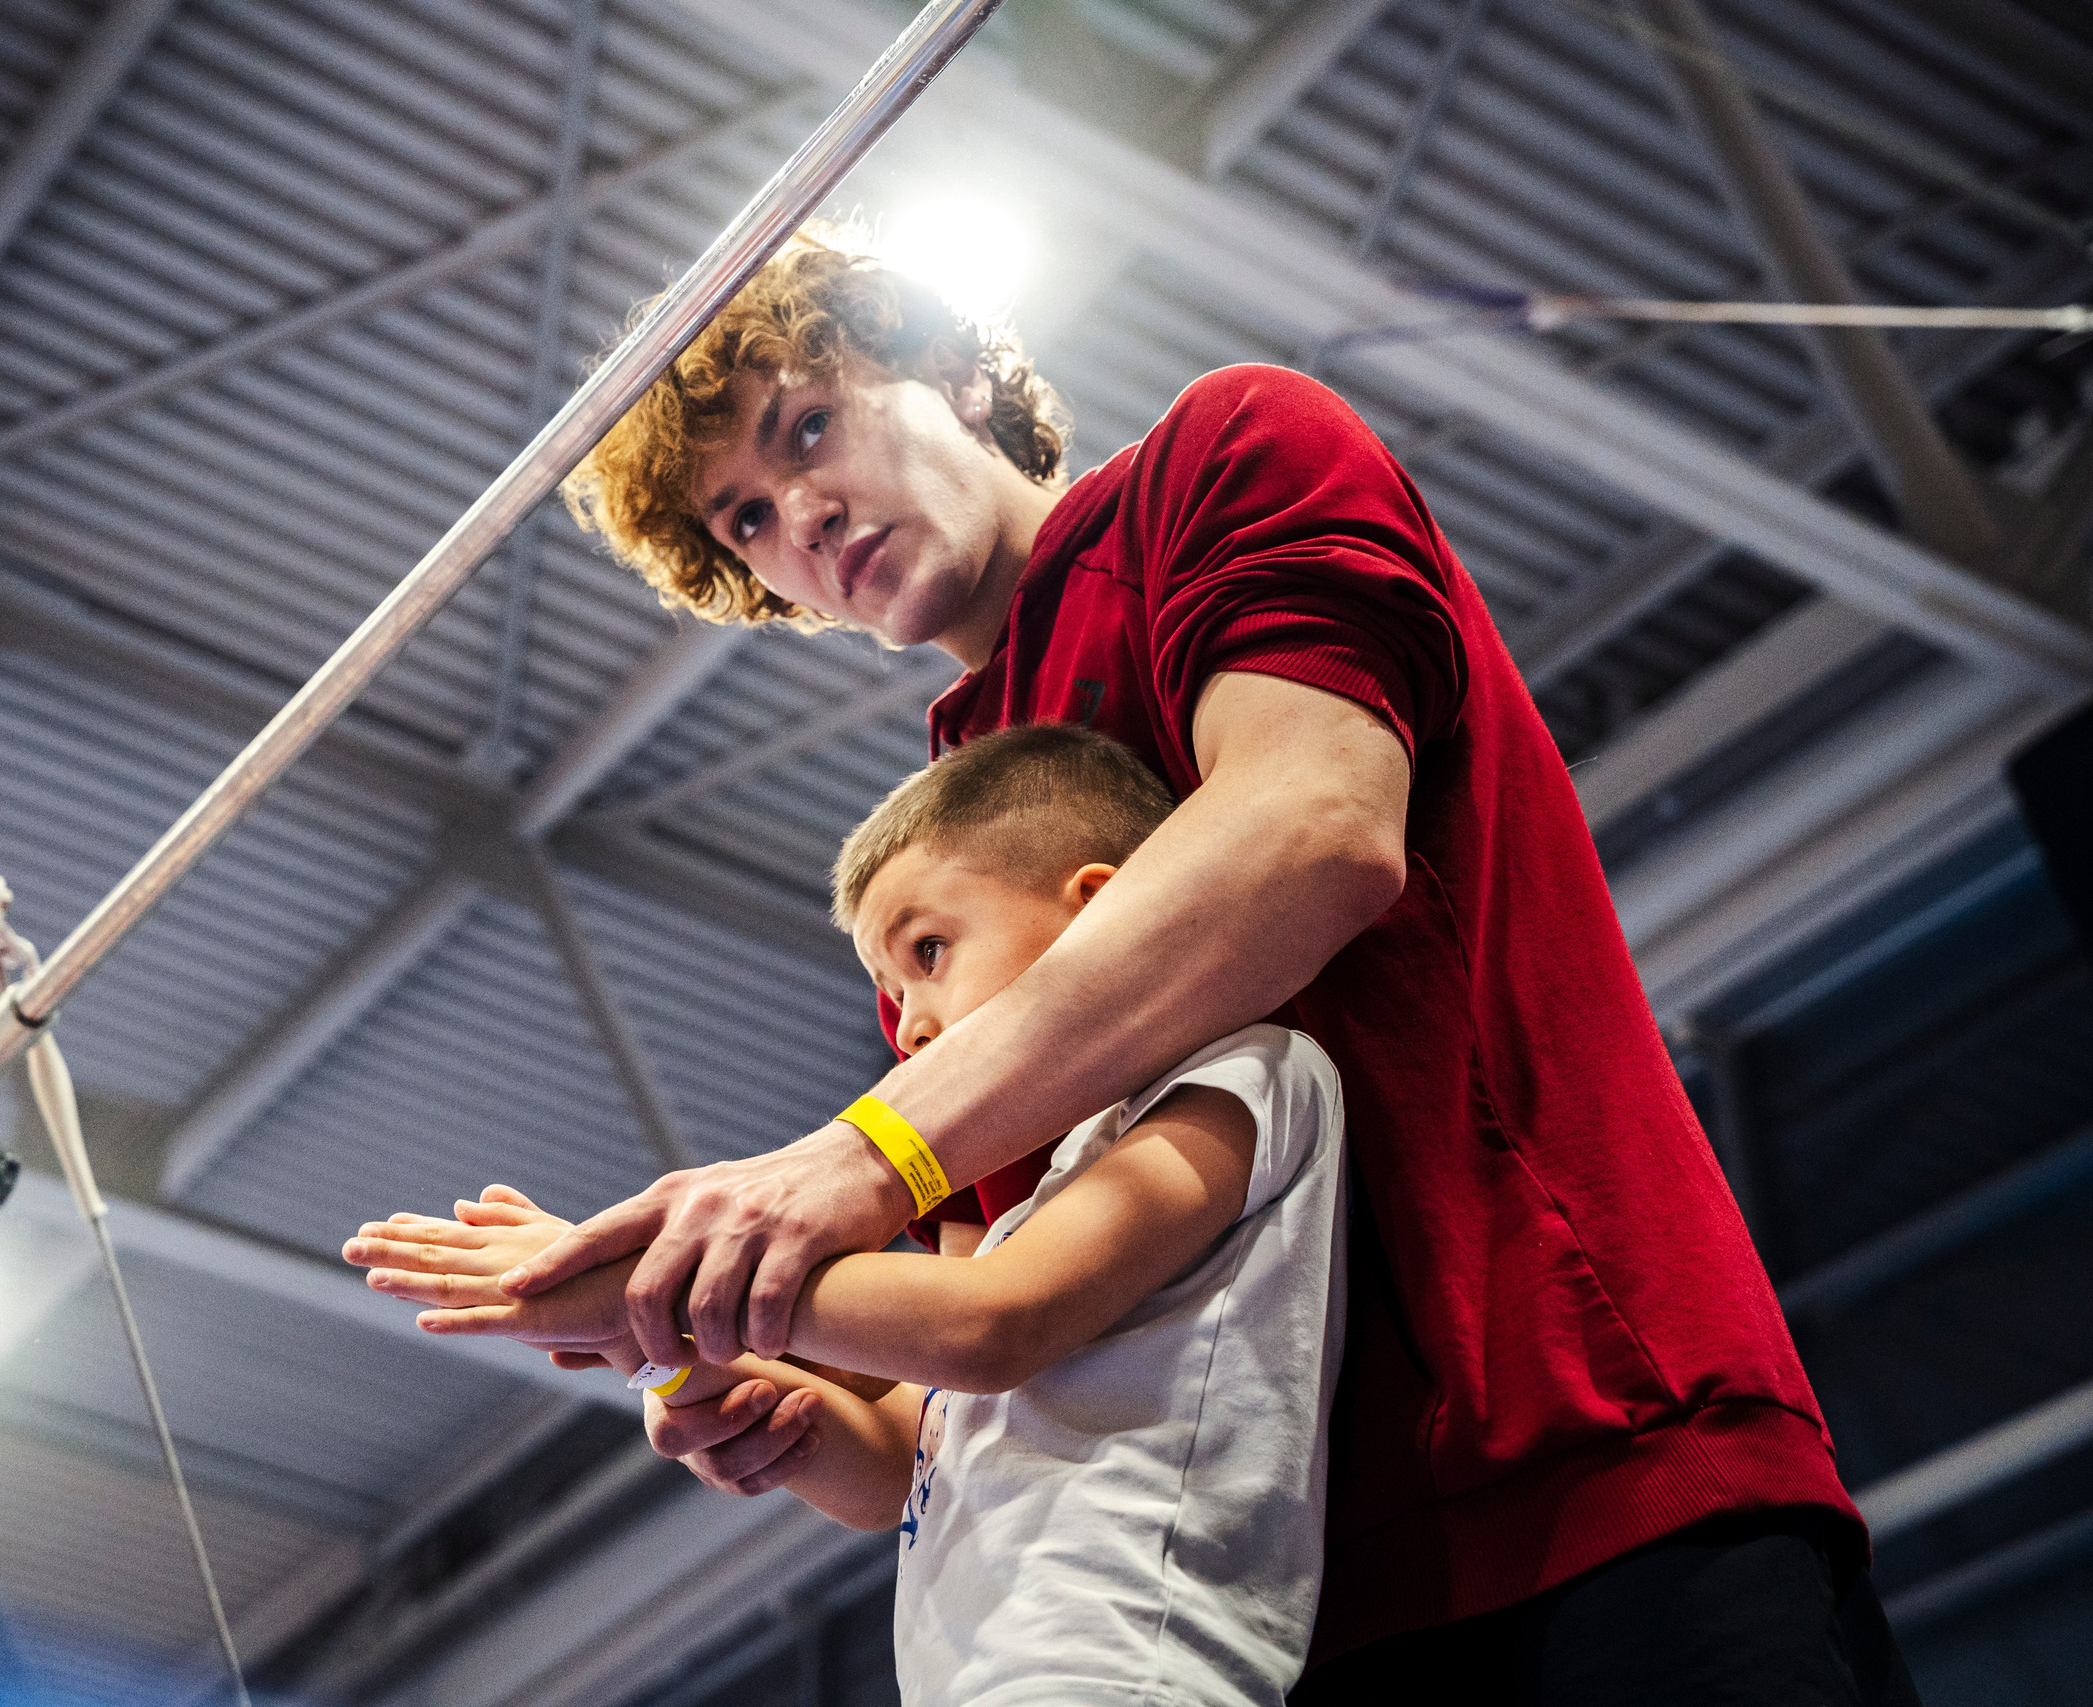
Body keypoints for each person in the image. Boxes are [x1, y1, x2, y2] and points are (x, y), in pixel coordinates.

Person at [482, 226, 1916, 1702]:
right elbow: (1009, 1343)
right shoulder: (934, 883)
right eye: (747, 521)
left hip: (1581, 1451)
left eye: (807, 425)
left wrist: (858, 1164)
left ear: (962, 368)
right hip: (1267, 1610)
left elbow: (1314, 830)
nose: (802, 514)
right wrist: (805, 1400)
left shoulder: (1228, 454)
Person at [348, 723, 1352, 1706]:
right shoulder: (1028, 1204)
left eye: (927, 950)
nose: (909, 1022)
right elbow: (896, 1472)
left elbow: (990, 1325)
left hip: (1120, 1661)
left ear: (1099, 908)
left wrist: (648, 1278)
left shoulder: (1248, 1075)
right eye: (887, 987)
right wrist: (657, 1343)